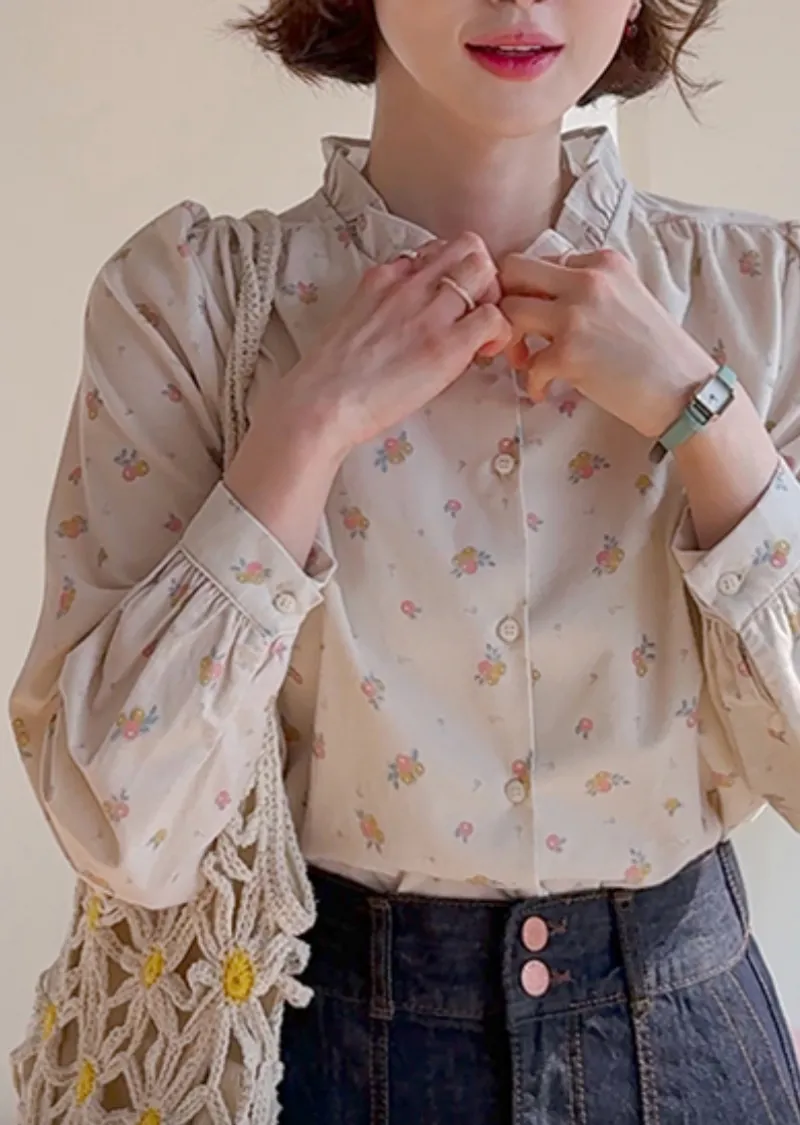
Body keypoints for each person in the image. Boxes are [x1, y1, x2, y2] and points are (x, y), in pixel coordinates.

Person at [9, 0, 800, 1121]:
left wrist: (701, 416)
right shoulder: (189, 304)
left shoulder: (760, 297)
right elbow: (119, 825)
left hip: (687, 1057)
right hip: (314, 1044)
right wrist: (307, 427)